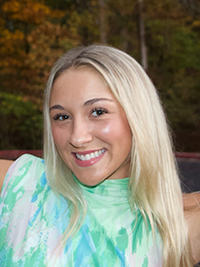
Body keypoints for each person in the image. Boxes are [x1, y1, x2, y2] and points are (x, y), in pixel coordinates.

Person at [0, 44, 199, 266]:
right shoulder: (21, 184)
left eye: (98, 112)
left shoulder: (176, 226)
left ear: (139, 115)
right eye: (62, 117)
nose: (77, 137)